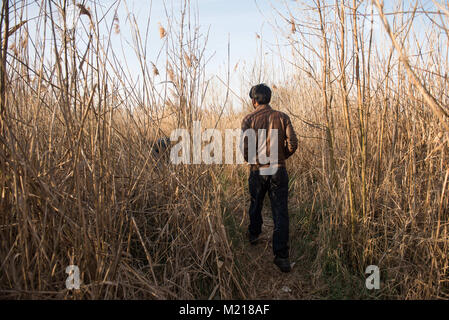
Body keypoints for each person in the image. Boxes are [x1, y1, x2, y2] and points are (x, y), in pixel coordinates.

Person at [241, 83, 298, 273]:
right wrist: (281, 156)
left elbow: (245, 149)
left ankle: (254, 235)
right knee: (280, 211)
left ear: (254, 101)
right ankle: (281, 257)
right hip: (278, 169)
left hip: (258, 169)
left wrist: (254, 160)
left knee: (256, 203)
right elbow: (293, 144)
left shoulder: (248, 119)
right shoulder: (282, 117)